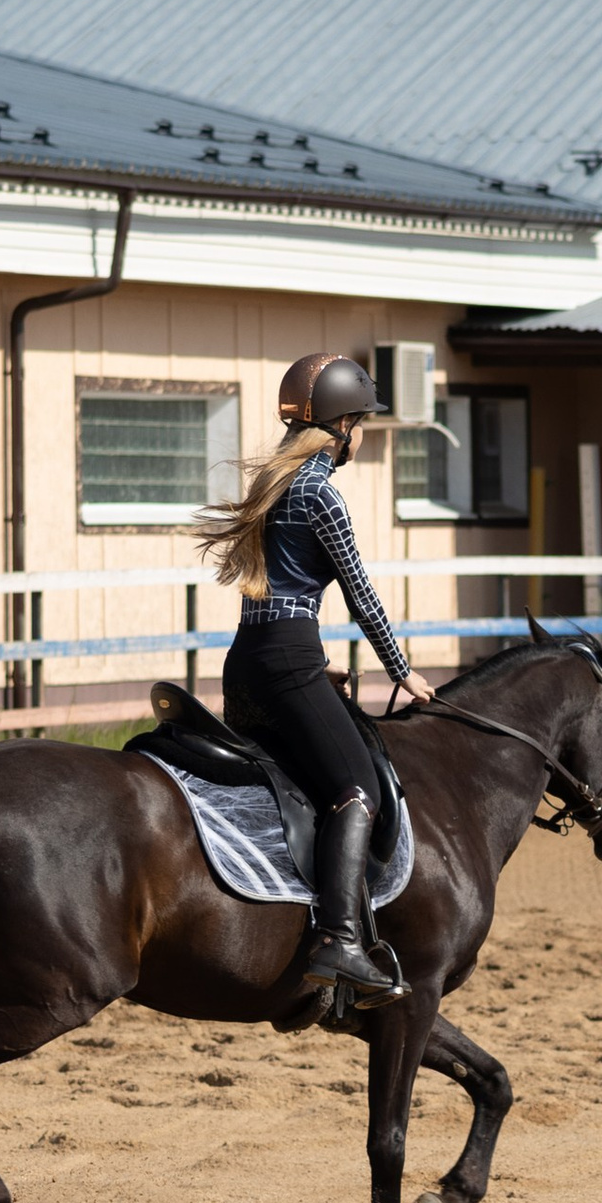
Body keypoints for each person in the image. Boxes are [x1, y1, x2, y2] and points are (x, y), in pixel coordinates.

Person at [197, 349, 438, 1003]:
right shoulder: (321, 494)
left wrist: (310, 661)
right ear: (344, 427)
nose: (360, 436)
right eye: (361, 424)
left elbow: (279, 598)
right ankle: (339, 937)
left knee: (295, 784)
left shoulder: (275, 487)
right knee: (355, 790)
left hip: (249, 663)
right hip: (287, 663)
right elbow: (360, 595)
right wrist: (404, 672)